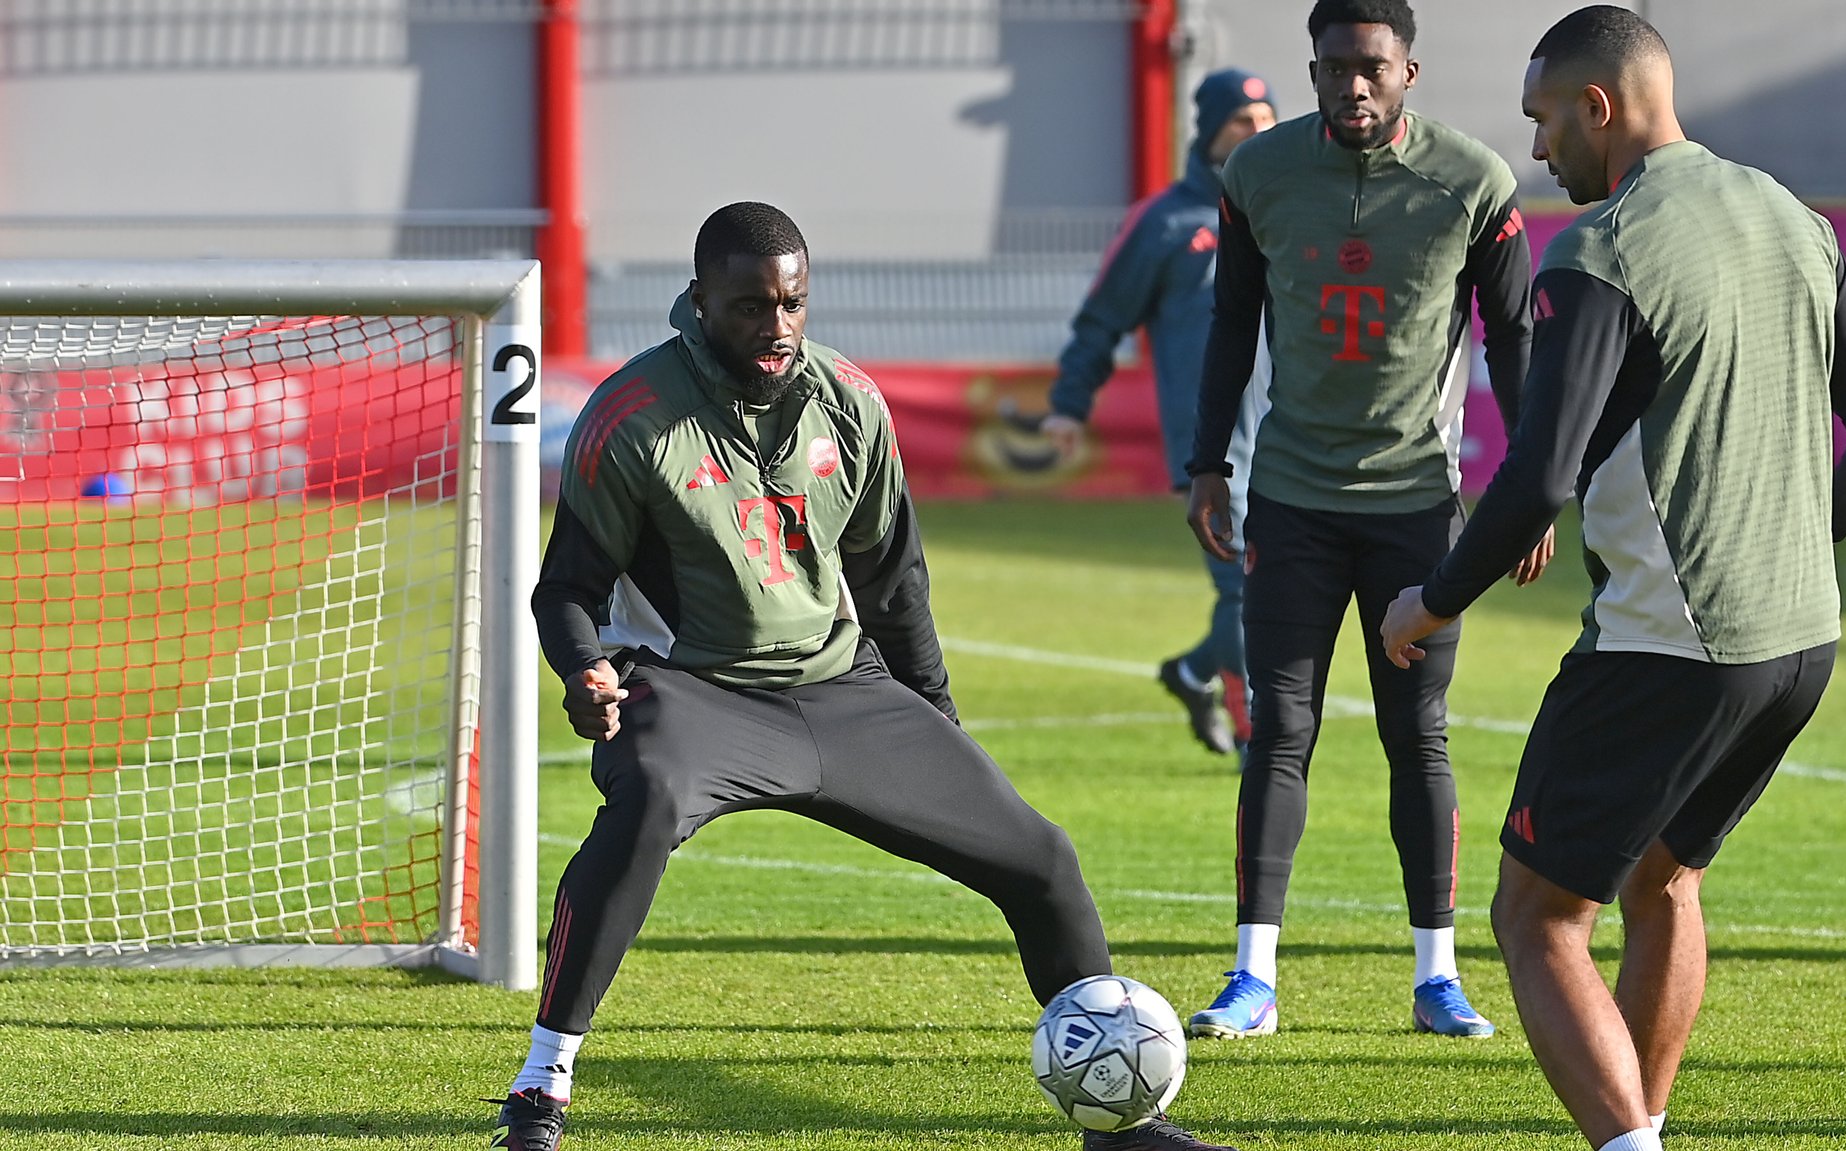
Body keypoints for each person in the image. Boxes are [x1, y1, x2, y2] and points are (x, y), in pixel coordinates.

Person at [489, 202, 1236, 1151]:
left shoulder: (848, 399)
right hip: (694, 689)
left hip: (842, 686)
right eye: (751, 306)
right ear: (699, 301)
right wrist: (584, 667)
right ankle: (541, 1086)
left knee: (1042, 859)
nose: (777, 325)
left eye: (792, 302)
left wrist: (937, 721)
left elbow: (893, 583)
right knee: (644, 808)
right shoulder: (632, 417)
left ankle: (1122, 1125)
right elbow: (566, 587)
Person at [1379, 8, 1846, 1150]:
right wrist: (1794, 545)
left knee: (1536, 917)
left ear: (1598, 107)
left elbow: (1538, 478)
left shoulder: (1603, 249)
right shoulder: (1792, 216)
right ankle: (1646, 1127)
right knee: (1664, 882)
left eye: (1542, 120)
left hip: (1671, 641)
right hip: (1799, 640)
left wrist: (1430, 599)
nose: (1537, 150)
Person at [1182, 0, 1549, 1041]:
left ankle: (1438, 978)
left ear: (1408, 73)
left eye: (1372, 68)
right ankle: (1252, 977)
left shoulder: (1473, 181)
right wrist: (1206, 464)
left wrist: (1529, 490)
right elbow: (1230, 322)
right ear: (1311, 70)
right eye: (1334, 66)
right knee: (1278, 733)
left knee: (1416, 735)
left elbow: (1514, 337)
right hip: (1290, 502)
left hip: (1415, 509)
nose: (1353, 85)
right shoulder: (1257, 174)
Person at [1040, 68, 1278, 757]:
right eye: (1241, 120)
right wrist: (1069, 404)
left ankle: (1194, 670)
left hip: (1294, 434)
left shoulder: (1291, 210)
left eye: (1266, 119)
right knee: (1245, 585)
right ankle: (1258, 736)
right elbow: (1102, 319)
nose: (1256, 131)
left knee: (1284, 584)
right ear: (1210, 131)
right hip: (1211, 448)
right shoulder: (1164, 222)